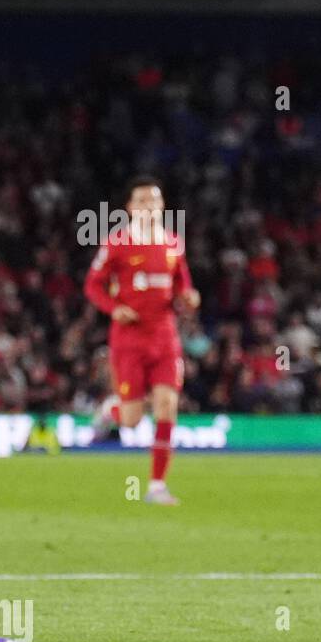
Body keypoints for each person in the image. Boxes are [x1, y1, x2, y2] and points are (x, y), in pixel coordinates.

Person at [84, 175, 200, 505]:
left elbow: (182, 285)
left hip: (165, 337)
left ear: (162, 206)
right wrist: (114, 307)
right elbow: (92, 286)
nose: (150, 206)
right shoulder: (116, 243)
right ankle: (111, 410)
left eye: (155, 200)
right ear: (130, 208)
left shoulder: (173, 242)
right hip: (129, 340)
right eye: (143, 201)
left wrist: (189, 297)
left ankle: (157, 487)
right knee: (133, 419)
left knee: (167, 407)